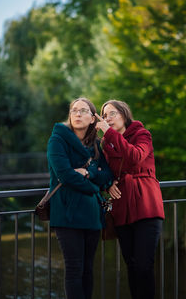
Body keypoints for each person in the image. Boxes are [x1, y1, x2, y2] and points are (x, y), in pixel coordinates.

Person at [95, 99, 165, 299]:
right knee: (132, 266)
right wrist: (108, 185)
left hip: (146, 205)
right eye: (105, 115)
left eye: (113, 113)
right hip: (122, 210)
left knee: (144, 266)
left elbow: (134, 156)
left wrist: (109, 132)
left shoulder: (142, 134)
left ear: (124, 114)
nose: (108, 118)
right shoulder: (106, 145)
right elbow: (104, 173)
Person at [47, 97, 113, 299]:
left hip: (92, 214)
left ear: (93, 118)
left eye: (83, 111)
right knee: (74, 269)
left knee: (87, 270)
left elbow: (108, 176)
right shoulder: (57, 140)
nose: (77, 114)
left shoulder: (97, 145)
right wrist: (94, 185)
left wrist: (89, 173)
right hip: (67, 213)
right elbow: (65, 175)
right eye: (74, 110)